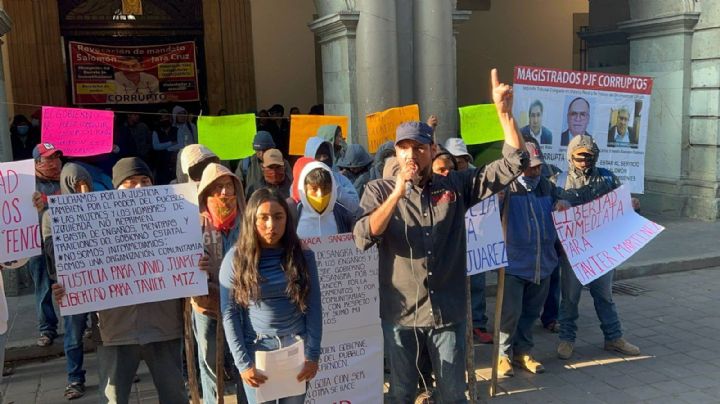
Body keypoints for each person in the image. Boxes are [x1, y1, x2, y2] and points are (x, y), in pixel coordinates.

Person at [353, 69, 527, 403]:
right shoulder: (378, 190)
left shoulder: (456, 186)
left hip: (447, 311)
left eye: (419, 147)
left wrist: (504, 116)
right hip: (400, 315)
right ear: (395, 153)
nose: (411, 154)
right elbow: (363, 236)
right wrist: (397, 193)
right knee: (402, 392)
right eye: (403, 148)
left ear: (432, 151)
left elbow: (512, 165)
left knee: (451, 392)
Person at [57, 157, 188, 403]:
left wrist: (196, 266)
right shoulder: (93, 226)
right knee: (113, 398)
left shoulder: (175, 219)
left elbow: (189, 262)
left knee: (175, 395)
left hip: (164, 327)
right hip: (114, 330)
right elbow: (76, 271)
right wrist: (66, 288)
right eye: (130, 182)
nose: (139, 187)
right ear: (115, 190)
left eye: (144, 180)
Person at [220, 188, 322, 403]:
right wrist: (243, 363)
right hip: (257, 351)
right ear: (251, 219)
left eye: (278, 217)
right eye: (263, 218)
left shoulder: (303, 255)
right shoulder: (235, 259)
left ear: (287, 219)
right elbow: (229, 314)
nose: (271, 226)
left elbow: (314, 307)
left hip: (296, 351)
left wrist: (312, 355)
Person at [556, 135, 641, 360]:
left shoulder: (607, 178)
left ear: (595, 156)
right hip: (573, 251)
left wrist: (631, 205)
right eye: (579, 156)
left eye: (588, 156)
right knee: (570, 298)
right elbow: (548, 214)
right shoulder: (558, 181)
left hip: (601, 249)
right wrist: (557, 207)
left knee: (604, 296)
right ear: (570, 156)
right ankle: (567, 339)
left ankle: (614, 338)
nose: (584, 161)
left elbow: (623, 207)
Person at [496, 142, 572, 377]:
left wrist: (564, 204)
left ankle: (523, 352)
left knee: (531, 312)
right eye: (531, 168)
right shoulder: (505, 189)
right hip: (513, 265)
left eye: (538, 167)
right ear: (519, 167)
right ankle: (502, 355)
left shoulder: (548, 188)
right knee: (509, 313)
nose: (536, 172)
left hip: (544, 264)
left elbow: (568, 201)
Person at [193, 163, 246, 404]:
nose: (224, 193)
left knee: (243, 359)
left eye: (228, 186)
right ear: (206, 192)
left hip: (241, 301)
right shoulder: (193, 223)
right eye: (217, 188)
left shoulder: (247, 221)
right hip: (206, 303)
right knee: (209, 360)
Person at [42, 163, 94, 399]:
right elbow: (52, 250)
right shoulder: (51, 215)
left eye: (85, 184)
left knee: (107, 331)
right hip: (71, 283)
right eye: (76, 185)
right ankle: (75, 379)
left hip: (100, 281)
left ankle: (117, 371)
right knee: (73, 335)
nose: (82, 190)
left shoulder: (99, 207)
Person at [30, 143, 63, 347]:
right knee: (43, 288)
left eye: (56, 158)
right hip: (36, 243)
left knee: (71, 283)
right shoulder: (26, 185)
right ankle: (47, 328)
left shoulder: (68, 178)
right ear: (36, 163)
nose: (54, 163)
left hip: (62, 241)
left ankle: (81, 323)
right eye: (48, 159)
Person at [293, 161, 355, 238]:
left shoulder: (344, 216)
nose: (320, 194)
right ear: (304, 189)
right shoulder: (293, 215)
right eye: (314, 189)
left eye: (325, 188)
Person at [304, 136, 360, 214]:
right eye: (318, 157)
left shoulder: (340, 179)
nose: (322, 160)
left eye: (325, 156)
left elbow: (354, 206)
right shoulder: (301, 181)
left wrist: (334, 185)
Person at [151, 109, 181, 185]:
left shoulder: (177, 130)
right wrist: (171, 143)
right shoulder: (156, 132)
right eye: (162, 118)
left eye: (166, 118)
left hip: (175, 163)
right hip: (161, 164)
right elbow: (156, 146)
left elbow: (180, 144)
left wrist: (167, 148)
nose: (165, 120)